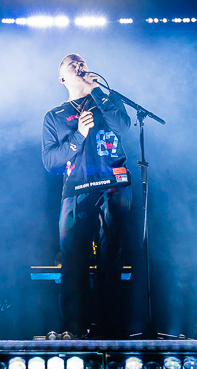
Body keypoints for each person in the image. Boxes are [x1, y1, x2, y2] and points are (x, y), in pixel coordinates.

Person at [41, 53, 132, 339]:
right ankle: (73, 328)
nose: (79, 66)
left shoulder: (105, 100)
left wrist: (98, 92)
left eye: (82, 62)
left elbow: (124, 126)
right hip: (76, 192)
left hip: (113, 187)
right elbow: (50, 161)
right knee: (74, 261)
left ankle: (107, 328)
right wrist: (78, 135)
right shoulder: (54, 116)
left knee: (111, 259)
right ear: (62, 78)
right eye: (72, 64)